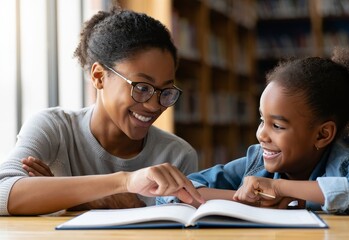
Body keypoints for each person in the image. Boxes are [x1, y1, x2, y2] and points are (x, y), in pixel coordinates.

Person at [0, 6, 204, 216]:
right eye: (142, 88)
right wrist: (121, 184)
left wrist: (58, 196)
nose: (154, 106)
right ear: (99, 77)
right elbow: (2, 192)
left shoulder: (177, 155)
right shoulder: (54, 128)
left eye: (165, 91)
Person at [159, 47, 349, 214]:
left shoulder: (347, 164)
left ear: (322, 135)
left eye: (277, 126)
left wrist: (279, 188)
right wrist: (251, 200)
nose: (261, 134)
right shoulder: (255, 162)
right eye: (262, 120)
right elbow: (174, 192)